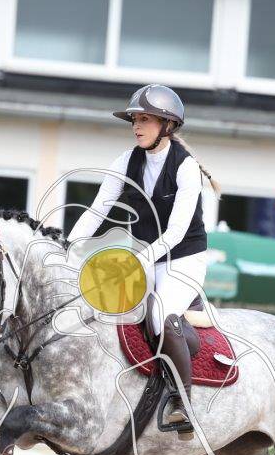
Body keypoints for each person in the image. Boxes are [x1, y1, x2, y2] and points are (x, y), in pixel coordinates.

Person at [67, 84, 220, 432]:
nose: (137, 126)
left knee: (160, 315)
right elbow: (97, 210)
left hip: (184, 259)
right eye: (135, 120)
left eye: (145, 120)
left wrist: (141, 258)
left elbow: (177, 231)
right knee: (107, 304)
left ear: (167, 125)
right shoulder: (125, 161)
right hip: (147, 258)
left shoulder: (186, 168)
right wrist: (67, 246)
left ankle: (183, 403)